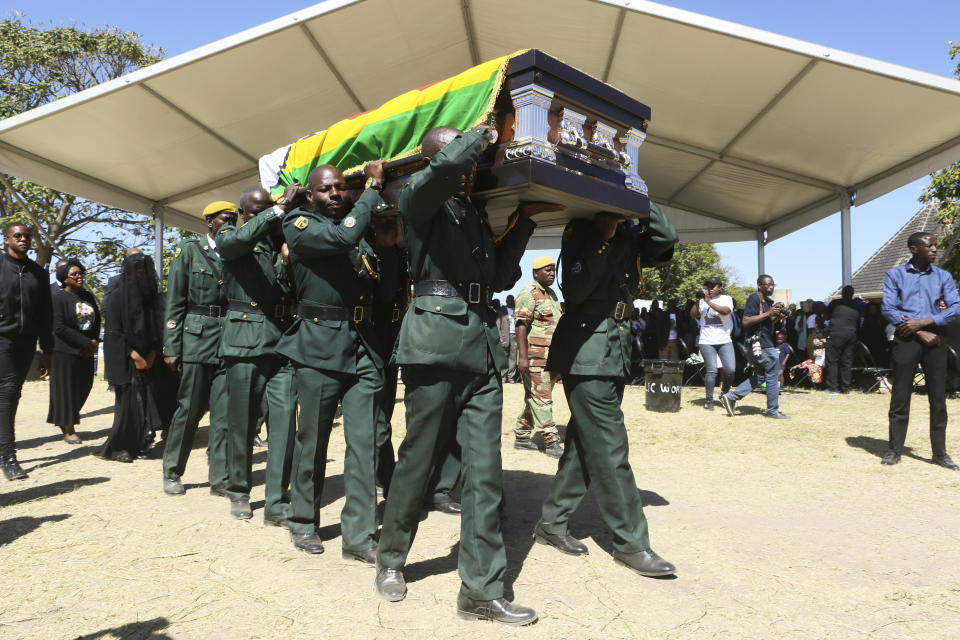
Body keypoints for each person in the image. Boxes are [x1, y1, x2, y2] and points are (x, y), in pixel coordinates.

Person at [375, 124, 560, 625]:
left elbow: (499, 277)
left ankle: (480, 589)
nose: (469, 171)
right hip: (434, 344)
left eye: (474, 165)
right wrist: (486, 132)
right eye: (460, 161)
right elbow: (443, 170)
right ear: (436, 162)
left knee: (483, 474)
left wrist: (521, 222)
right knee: (419, 458)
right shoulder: (418, 200)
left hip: (480, 349)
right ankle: (391, 556)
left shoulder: (472, 213)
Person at [534, 208, 678, 580]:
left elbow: (665, 243)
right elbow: (578, 289)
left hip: (613, 349)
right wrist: (604, 234)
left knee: (586, 443)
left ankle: (551, 522)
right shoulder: (582, 229)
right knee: (611, 446)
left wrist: (643, 204)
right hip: (586, 351)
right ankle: (632, 543)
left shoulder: (631, 230)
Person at [278, 160, 387, 560]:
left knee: (364, 444)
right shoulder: (299, 225)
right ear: (310, 195)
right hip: (319, 346)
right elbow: (341, 240)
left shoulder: (358, 230)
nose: (336, 194)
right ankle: (303, 521)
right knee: (313, 441)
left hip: (362, 345)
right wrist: (372, 190)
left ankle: (358, 536)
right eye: (326, 189)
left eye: (342, 187)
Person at [218, 185, 299, 523]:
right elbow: (233, 244)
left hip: (281, 340)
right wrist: (276, 211)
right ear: (243, 214)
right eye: (256, 211)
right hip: (245, 340)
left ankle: (276, 501)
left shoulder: (282, 242)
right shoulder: (232, 236)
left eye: (266, 208)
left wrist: (289, 256)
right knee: (242, 420)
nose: (263, 214)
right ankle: (239, 490)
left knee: (284, 425)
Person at [161, 202, 235, 498]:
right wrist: (172, 345)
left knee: (223, 415)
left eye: (233, 219)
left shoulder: (237, 252)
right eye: (224, 219)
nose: (229, 223)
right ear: (209, 222)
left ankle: (219, 477)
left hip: (228, 339)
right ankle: (172, 471)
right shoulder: (189, 250)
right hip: (195, 338)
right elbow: (175, 300)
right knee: (188, 409)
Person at [880, 232, 960, 469]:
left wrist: (924, 322)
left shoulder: (943, 276)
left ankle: (939, 453)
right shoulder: (894, 274)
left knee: (938, 398)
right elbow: (888, 308)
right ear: (914, 249)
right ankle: (894, 450)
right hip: (906, 339)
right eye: (930, 245)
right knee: (900, 396)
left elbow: (955, 309)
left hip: (936, 338)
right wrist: (917, 330)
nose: (935, 249)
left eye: (935, 245)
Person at [100, 250, 165, 462]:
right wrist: (134, 355)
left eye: (143, 270)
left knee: (146, 401)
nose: (140, 274)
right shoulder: (118, 297)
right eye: (136, 270)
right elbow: (114, 332)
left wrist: (153, 352)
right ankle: (120, 447)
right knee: (128, 404)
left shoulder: (150, 298)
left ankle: (142, 441)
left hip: (149, 359)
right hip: (126, 360)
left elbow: (158, 328)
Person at [0, 223, 53, 480]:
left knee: (12, 394)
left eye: (27, 236)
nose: (23, 239)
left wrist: (47, 350)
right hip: (2, 339)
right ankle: (8, 457)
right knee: (8, 391)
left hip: (27, 341)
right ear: (7, 238)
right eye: (17, 236)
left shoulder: (38, 274)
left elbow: (46, 315)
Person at [512, 255, 563, 456]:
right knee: (543, 399)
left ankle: (522, 436)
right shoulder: (528, 294)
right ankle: (551, 442)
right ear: (535, 273)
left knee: (535, 398)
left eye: (553, 270)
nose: (551, 273)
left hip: (550, 358)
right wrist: (523, 358)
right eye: (547, 270)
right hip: (534, 359)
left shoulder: (552, 295)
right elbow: (520, 326)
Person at [720, 275, 790, 419]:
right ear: (759, 285)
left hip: (759, 344)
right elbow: (745, 321)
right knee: (772, 374)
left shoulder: (767, 302)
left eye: (772, 285)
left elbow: (765, 323)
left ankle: (732, 397)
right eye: (767, 285)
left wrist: (777, 318)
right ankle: (772, 410)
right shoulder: (755, 298)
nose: (771, 287)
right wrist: (769, 313)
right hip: (762, 344)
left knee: (761, 376)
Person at [47, 259, 100, 444]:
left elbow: (97, 319)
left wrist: (93, 341)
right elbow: (59, 327)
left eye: (81, 273)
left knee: (85, 386)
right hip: (64, 351)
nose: (79, 276)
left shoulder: (87, 296)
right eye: (74, 274)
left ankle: (65, 417)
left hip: (87, 349)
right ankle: (69, 429)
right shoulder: (57, 298)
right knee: (66, 391)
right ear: (64, 278)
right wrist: (84, 342)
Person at [690, 276, 734, 410]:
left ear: (720, 287)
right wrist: (698, 301)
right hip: (706, 341)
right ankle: (709, 400)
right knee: (711, 370)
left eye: (712, 286)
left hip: (724, 340)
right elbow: (693, 314)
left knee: (730, 370)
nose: (709, 288)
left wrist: (708, 302)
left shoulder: (726, 298)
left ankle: (724, 395)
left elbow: (726, 311)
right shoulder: (702, 301)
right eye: (708, 286)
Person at [824, 285, 860, 393]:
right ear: (852, 294)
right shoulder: (856, 305)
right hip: (851, 334)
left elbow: (826, 316)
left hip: (836, 333)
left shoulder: (835, 303)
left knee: (832, 361)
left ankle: (832, 387)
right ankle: (846, 388)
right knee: (847, 361)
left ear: (842, 293)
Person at [497, 295, 518, 382]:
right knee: (504, 356)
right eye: (508, 300)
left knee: (513, 357)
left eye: (512, 300)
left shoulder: (517, 310)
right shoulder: (502, 311)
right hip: (505, 337)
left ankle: (511, 377)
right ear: (506, 301)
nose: (510, 301)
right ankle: (503, 377)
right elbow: (498, 325)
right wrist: (500, 338)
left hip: (514, 336)